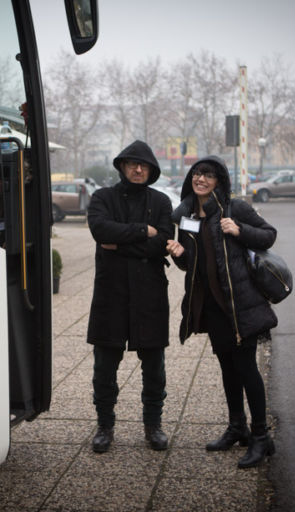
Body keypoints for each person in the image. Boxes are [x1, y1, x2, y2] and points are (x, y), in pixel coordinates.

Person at [165, 156, 278, 468]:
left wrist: (240, 230)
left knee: (246, 369)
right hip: (212, 307)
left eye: (208, 175)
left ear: (219, 181)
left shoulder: (234, 208)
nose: (201, 179)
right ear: (190, 179)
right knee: (228, 369)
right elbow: (193, 264)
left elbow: (269, 235)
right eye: (197, 174)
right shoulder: (187, 214)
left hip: (239, 305)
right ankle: (237, 427)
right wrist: (179, 254)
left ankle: (260, 437)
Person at [86, 140, 173, 453]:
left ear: (151, 170)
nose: (138, 169)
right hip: (111, 294)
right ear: (122, 166)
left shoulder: (162, 202)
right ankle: (105, 425)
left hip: (150, 293)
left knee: (155, 368)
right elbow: (100, 230)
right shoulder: (102, 197)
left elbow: (162, 242)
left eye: (144, 165)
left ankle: (153, 425)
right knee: (104, 368)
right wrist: (142, 232)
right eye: (133, 164)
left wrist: (121, 242)